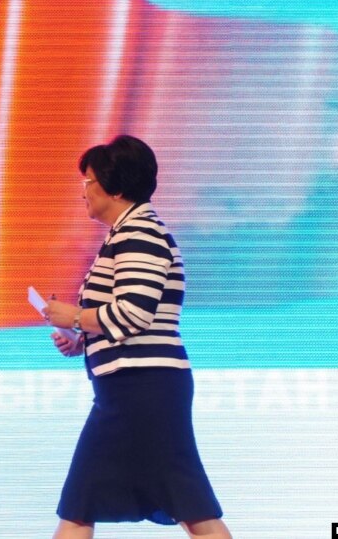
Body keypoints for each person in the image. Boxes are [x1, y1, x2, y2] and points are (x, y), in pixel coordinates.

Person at [43, 135, 232, 539]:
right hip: (135, 390)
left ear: (116, 188)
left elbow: (134, 313)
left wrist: (74, 316)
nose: (82, 192)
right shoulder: (126, 233)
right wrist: (80, 340)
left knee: (80, 506)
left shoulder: (139, 234)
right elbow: (129, 317)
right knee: (190, 508)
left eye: (88, 182)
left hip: (140, 391)